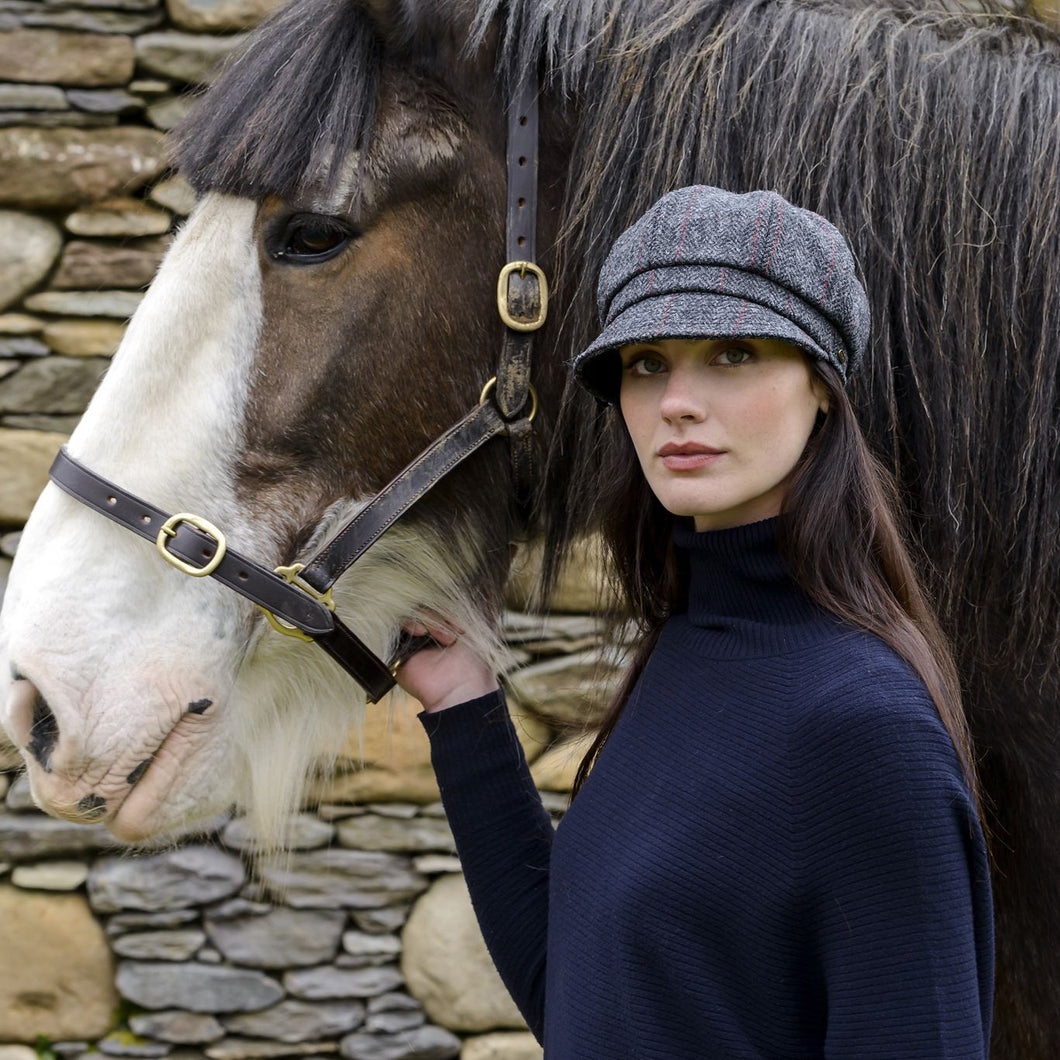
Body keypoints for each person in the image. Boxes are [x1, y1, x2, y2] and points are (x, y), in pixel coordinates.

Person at [395, 186, 995, 1058]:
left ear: (823, 388)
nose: (676, 401)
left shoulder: (864, 730)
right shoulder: (685, 650)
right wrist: (463, 702)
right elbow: (588, 998)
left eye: (733, 353)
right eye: (647, 363)